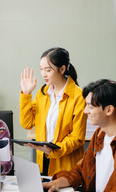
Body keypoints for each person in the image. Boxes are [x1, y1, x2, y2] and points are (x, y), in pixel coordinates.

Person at [19, 47, 87, 176]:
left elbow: (77, 138)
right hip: (43, 159)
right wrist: (26, 94)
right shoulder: (43, 92)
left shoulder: (78, 96)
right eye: (41, 69)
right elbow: (27, 123)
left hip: (65, 164)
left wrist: (54, 150)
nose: (43, 74)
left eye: (48, 70)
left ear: (62, 69)